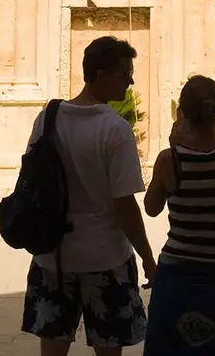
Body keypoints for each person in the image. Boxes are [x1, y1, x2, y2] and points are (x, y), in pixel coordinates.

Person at [21, 35, 156, 355]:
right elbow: (124, 204)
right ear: (100, 74)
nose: (131, 81)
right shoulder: (115, 129)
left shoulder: (48, 118)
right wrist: (148, 259)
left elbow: (29, 180)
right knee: (109, 349)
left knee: (53, 349)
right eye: (125, 74)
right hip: (105, 257)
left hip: (53, 254)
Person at [142, 75, 215, 356]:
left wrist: (173, 147)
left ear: (181, 114)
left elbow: (151, 207)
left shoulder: (170, 160)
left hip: (176, 276)